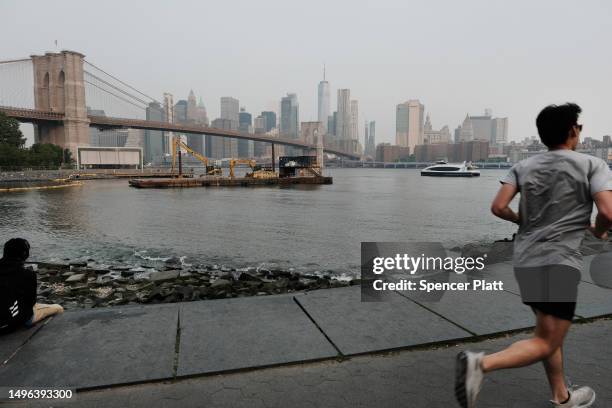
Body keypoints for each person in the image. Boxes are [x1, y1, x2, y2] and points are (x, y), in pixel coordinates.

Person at [455, 103, 612, 408]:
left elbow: (498, 207)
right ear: (572, 131)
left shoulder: (523, 166)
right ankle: (480, 365)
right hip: (559, 263)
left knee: (547, 331)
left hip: (525, 261)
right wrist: (600, 230)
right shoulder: (592, 164)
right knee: (546, 340)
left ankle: (561, 396)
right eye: (578, 127)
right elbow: (607, 211)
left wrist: (521, 220)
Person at [0, 238, 64, 334]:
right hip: (10, 325)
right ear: (24, 254)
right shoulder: (27, 274)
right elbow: (31, 303)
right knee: (58, 308)